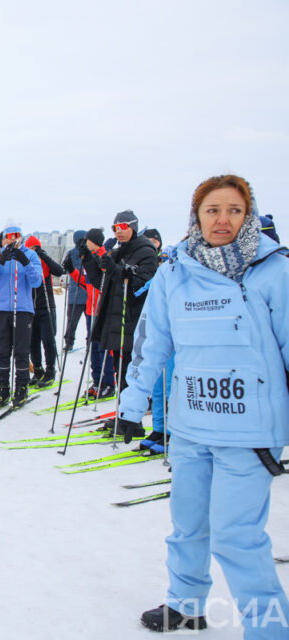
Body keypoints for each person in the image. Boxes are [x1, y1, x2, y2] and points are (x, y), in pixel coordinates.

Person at [116, 175, 289, 636]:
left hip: (249, 434)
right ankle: (185, 605)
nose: (223, 219)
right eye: (213, 210)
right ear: (197, 215)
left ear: (247, 215)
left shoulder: (274, 270)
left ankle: (270, 629)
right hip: (191, 427)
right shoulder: (175, 272)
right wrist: (131, 405)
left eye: (234, 210)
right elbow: (152, 343)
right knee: (188, 527)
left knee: (238, 539)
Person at [87, 210, 158, 421]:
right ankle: (124, 415)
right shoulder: (119, 251)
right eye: (115, 228)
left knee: (132, 372)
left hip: (132, 321)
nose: (119, 232)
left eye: (123, 227)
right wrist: (88, 260)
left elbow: (140, 284)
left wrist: (117, 270)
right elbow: (101, 281)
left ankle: (131, 419)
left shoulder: (146, 250)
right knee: (122, 371)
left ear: (133, 227)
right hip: (115, 320)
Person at [0, 222, 42, 408]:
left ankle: (21, 388)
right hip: (0, 309)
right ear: (4, 239)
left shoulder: (30, 255)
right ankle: (3, 389)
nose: (13, 239)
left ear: (21, 237)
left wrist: (25, 261)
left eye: (16, 235)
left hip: (22, 309)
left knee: (22, 351)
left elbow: (36, 281)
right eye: (9, 236)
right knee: (2, 351)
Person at [70, 228, 116, 398]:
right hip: (91, 309)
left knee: (103, 348)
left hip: (102, 310)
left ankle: (109, 382)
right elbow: (85, 282)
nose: (85, 243)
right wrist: (73, 270)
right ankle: (97, 381)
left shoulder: (104, 256)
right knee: (93, 348)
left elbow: (104, 282)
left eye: (88, 240)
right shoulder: (88, 257)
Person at [24, 235, 66, 387]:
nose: (32, 251)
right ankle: (38, 369)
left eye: (34, 248)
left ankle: (50, 371)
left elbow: (59, 271)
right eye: (29, 248)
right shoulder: (27, 262)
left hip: (46, 306)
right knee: (32, 341)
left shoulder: (44, 262)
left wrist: (44, 255)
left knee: (48, 340)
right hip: (31, 307)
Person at [61, 230, 89, 352]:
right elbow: (66, 269)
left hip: (87, 293)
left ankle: (90, 342)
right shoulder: (71, 253)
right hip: (76, 294)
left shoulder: (90, 254)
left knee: (90, 322)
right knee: (72, 322)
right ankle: (69, 342)